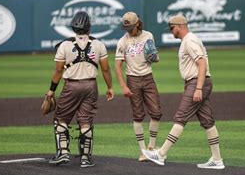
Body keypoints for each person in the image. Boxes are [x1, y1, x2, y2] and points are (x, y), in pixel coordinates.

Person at [142, 14, 225, 169]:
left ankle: (161, 154)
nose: (171, 31)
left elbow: (202, 64)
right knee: (207, 122)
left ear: (180, 26)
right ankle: (217, 159)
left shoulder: (190, 40)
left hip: (197, 82)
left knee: (180, 117)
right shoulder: (188, 40)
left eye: (172, 28)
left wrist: (198, 88)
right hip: (198, 82)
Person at [46, 11, 114, 167]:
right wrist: (110, 87)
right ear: (89, 27)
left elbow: (58, 70)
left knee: (61, 119)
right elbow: (105, 69)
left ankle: (63, 153)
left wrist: (51, 90)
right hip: (91, 86)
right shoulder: (99, 44)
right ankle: (85, 158)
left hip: (71, 86)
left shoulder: (64, 45)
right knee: (86, 121)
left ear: (73, 27)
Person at [115, 12, 162, 161]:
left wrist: (155, 57)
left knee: (156, 113)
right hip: (133, 80)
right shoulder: (123, 41)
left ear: (137, 24)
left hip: (148, 77)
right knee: (138, 115)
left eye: (130, 27)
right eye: (126, 28)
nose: (128, 31)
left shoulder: (148, 36)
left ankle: (151, 148)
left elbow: (153, 56)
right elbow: (117, 65)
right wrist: (123, 86)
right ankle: (142, 151)